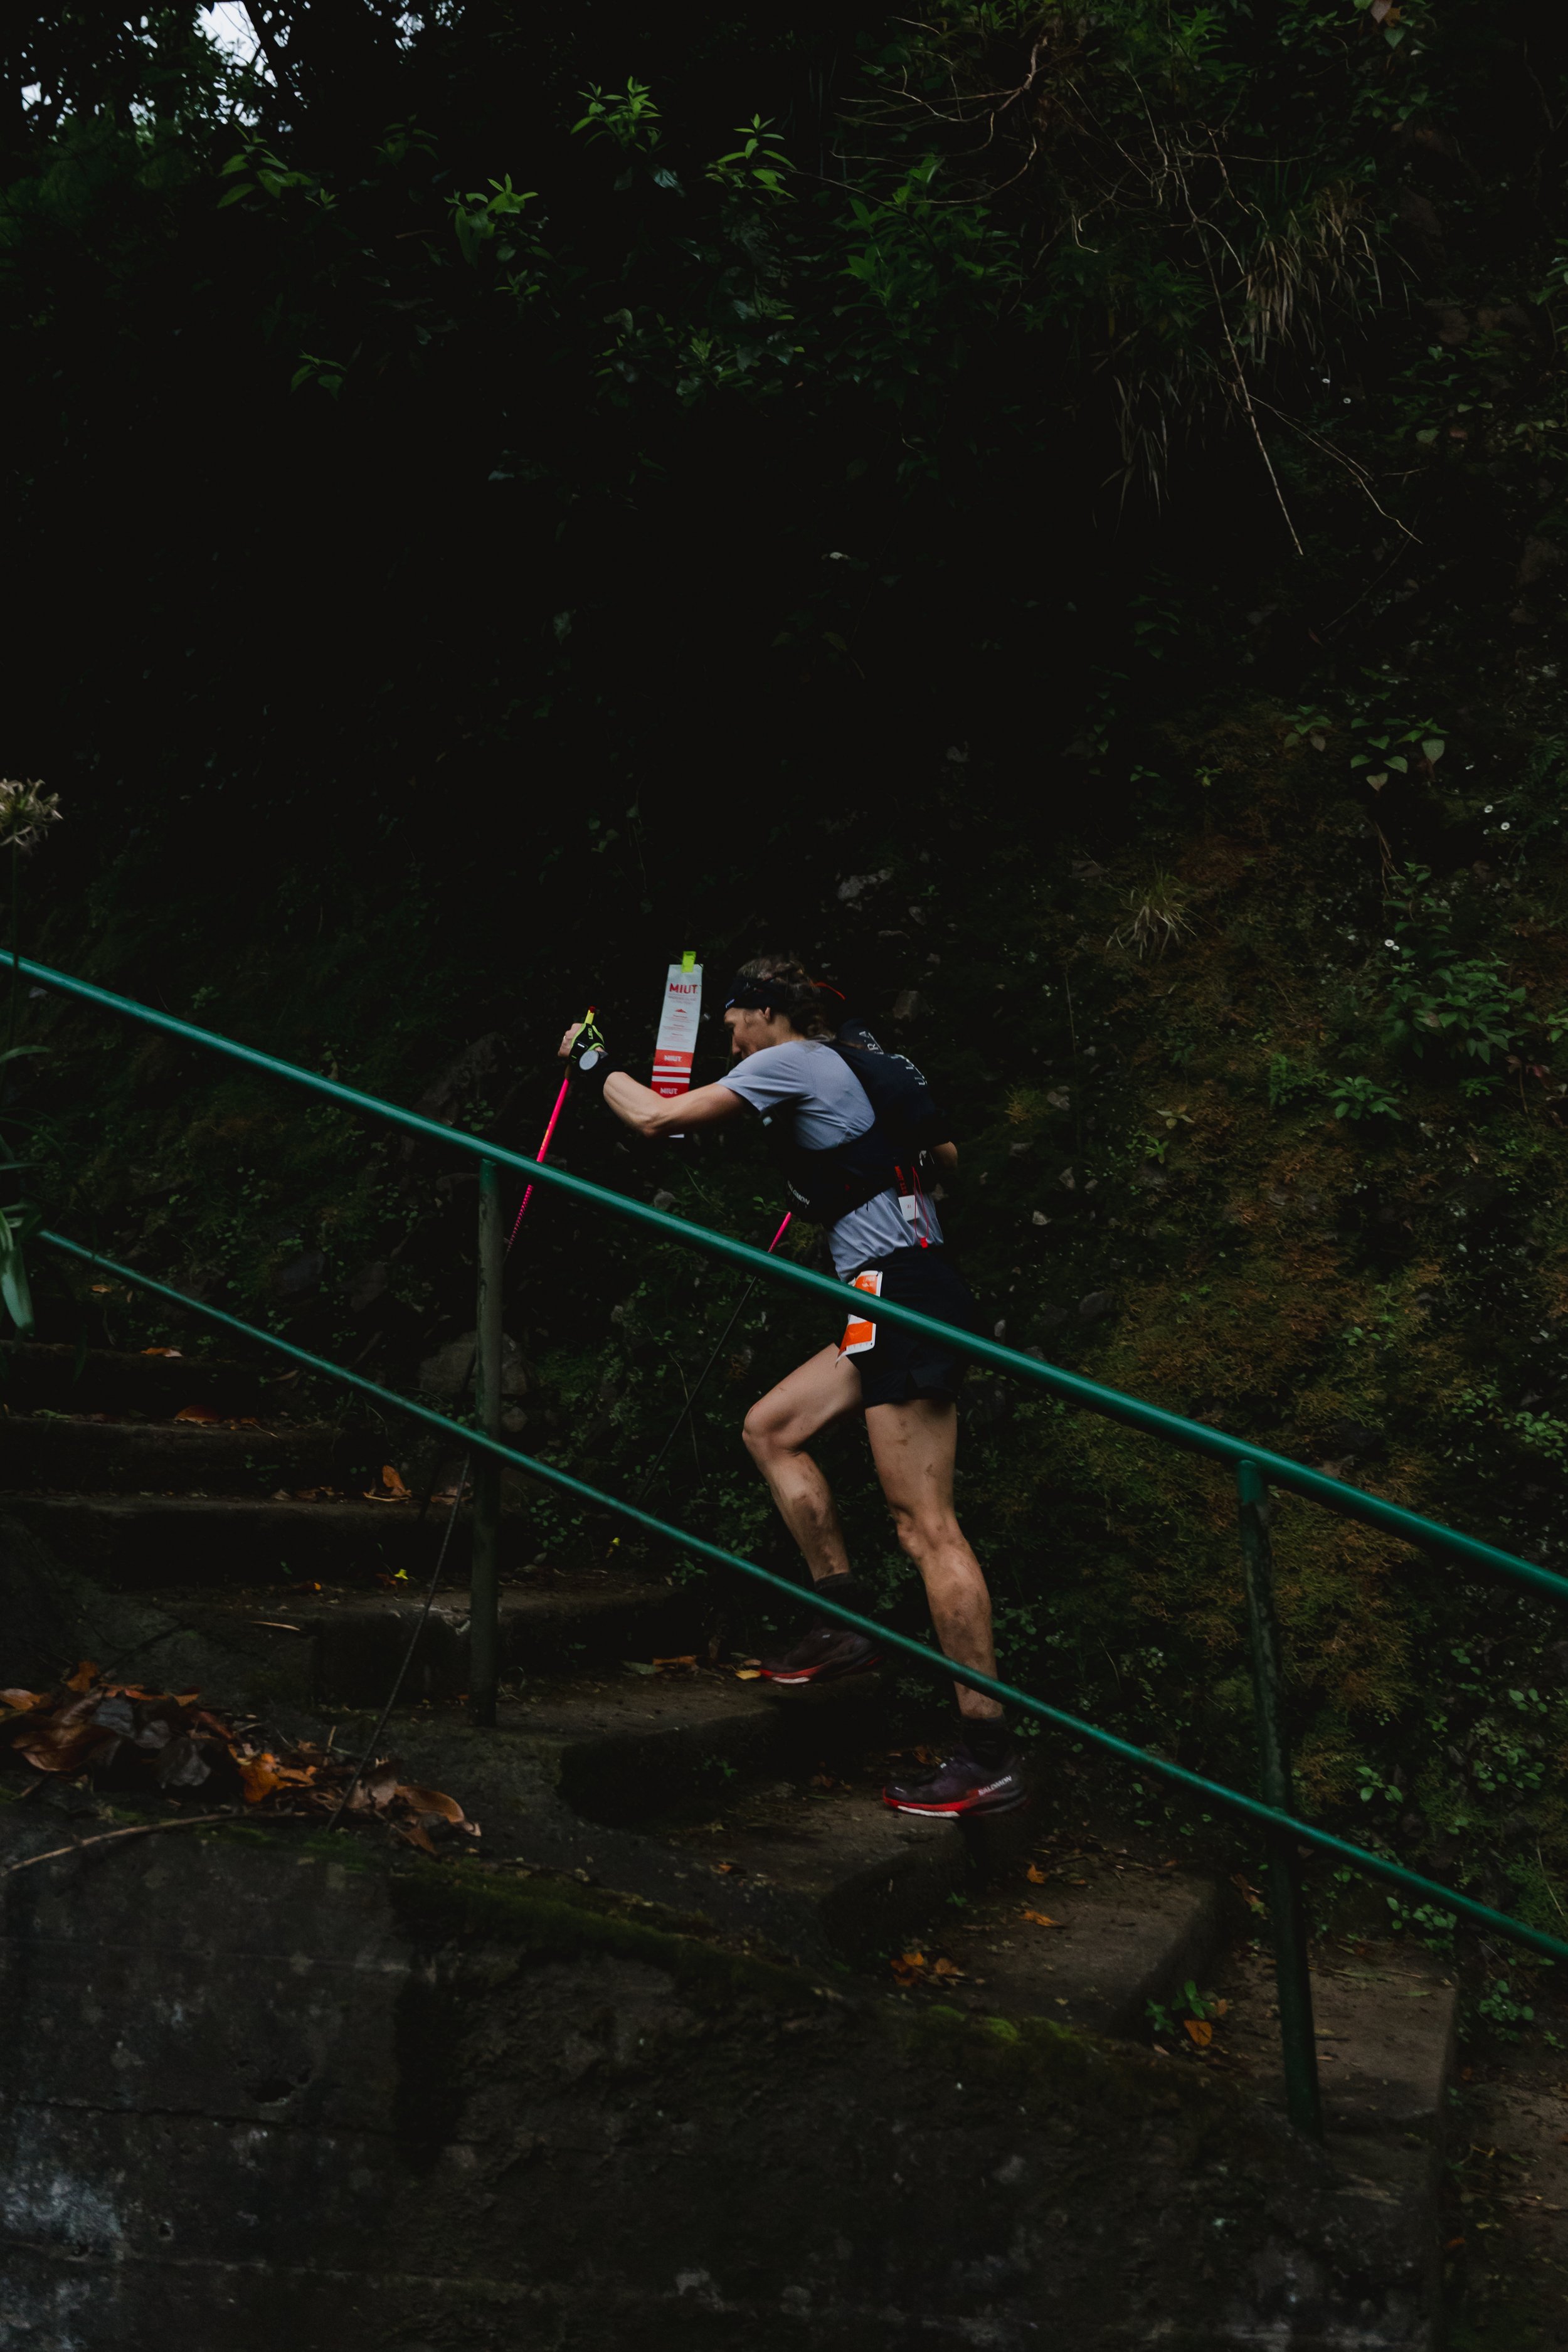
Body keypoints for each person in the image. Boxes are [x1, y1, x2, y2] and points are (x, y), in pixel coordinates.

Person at [559, 953, 1027, 1817]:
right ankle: (844, 1619)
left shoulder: (788, 1057)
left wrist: (593, 1064)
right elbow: (946, 1160)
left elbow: (658, 1118)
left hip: (899, 1293)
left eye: (732, 1023)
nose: (727, 1041)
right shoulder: (861, 1062)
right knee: (772, 1426)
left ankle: (987, 1749)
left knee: (925, 1528)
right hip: (884, 1293)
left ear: (764, 1011)